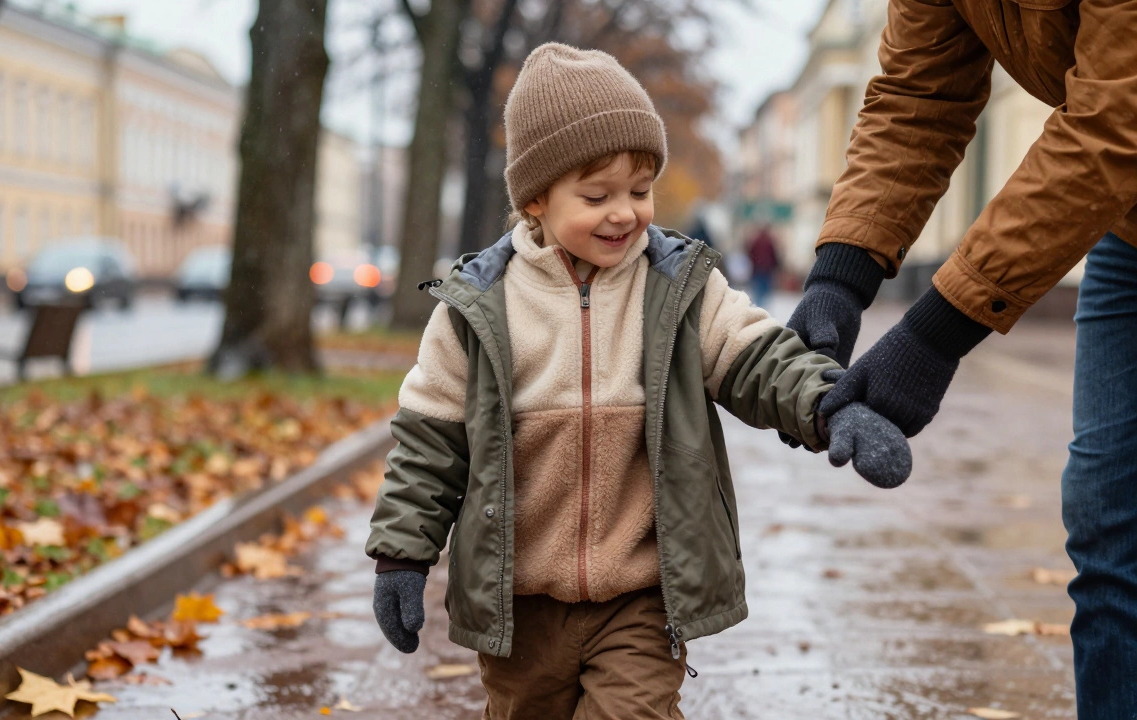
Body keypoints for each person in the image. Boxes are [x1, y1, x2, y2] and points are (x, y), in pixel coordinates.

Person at [365, 43, 912, 719]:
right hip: (521, 603)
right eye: (596, 195)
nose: (624, 212)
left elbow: (757, 355)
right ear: (534, 197)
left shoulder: (678, 287)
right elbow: (429, 442)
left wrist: (829, 405)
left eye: (640, 190)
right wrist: (401, 556)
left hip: (642, 596)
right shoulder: (477, 310)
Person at [783, 3, 1137, 717]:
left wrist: (933, 338)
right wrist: (837, 282)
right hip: (1128, 229)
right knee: (1107, 527)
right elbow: (919, 94)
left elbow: (1116, 117)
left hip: (1117, 164)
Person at [745, 224, 780, 306]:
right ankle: (761, 306)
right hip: (767, 269)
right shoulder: (769, 242)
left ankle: (757, 305)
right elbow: (774, 256)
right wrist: (776, 266)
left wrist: (754, 263)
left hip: (758, 268)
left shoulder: (756, 241)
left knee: (757, 289)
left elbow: (750, 253)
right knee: (765, 289)